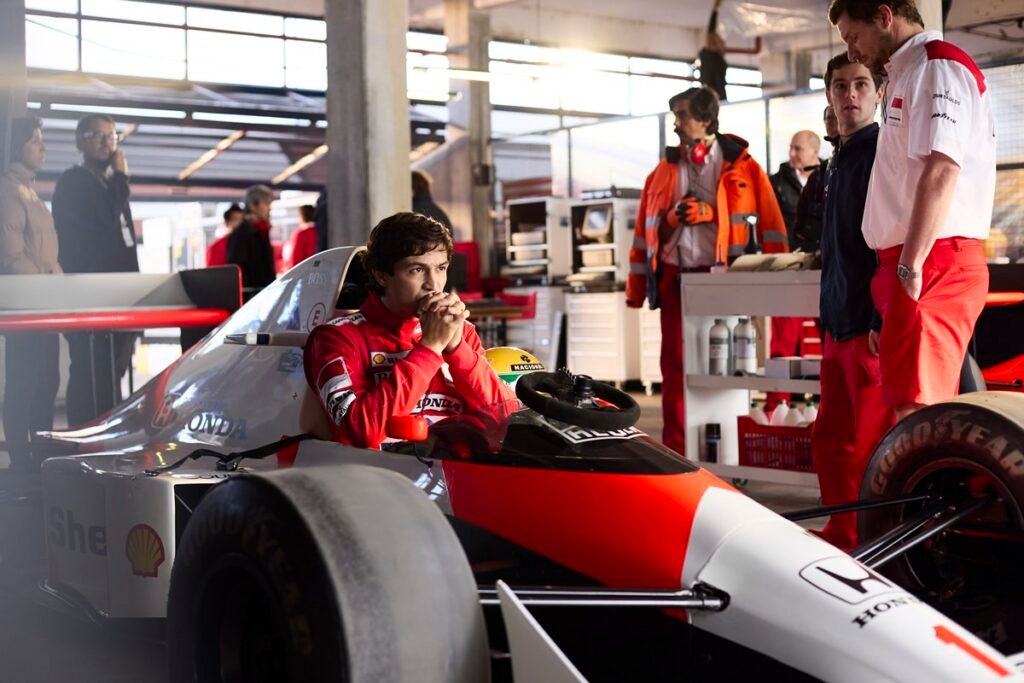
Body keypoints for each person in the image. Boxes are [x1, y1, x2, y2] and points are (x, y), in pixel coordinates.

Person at [830, 0, 995, 420]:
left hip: (931, 259)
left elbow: (942, 170)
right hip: (911, 261)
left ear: (885, 17)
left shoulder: (937, 67)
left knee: (917, 414)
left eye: (854, 36)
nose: (852, 50)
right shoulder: (907, 73)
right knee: (911, 411)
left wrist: (909, 266)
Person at [625, 86, 788, 455]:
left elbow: (772, 226)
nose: (676, 123)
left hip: (726, 278)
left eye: (682, 115)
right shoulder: (662, 172)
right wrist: (670, 220)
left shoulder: (745, 168)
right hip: (675, 278)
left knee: (730, 364)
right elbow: (643, 233)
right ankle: (676, 450)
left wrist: (712, 214)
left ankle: (729, 450)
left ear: (706, 119)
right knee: (675, 368)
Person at [303, 212, 514, 449]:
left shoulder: (460, 331)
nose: (433, 284)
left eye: (441, 268)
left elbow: (506, 421)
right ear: (381, 275)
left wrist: (457, 349)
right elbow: (363, 432)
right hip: (373, 470)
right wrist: (430, 348)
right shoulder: (335, 337)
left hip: (451, 469)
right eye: (417, 270)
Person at [813, 54, 892, 550]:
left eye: (861, 84)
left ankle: (870, 542)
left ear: (879, 93)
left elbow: (891, 244)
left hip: (867, 328)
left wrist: (881, 316)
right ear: (829, 95)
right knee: (830, 440)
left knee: (867, 445)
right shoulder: (838, 160)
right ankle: (840, 534)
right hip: (836, 323)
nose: (850, 95)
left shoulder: (882, 153)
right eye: (840, 86)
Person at [52, 113, 139, 425]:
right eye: (98, 135)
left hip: (121, 297)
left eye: (112, 136)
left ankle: (107, 435)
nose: (107, 143)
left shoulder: (110, 185)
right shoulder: (74, 182)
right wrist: (121, 178)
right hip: (90, 296)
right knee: (91, 374)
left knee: (112, 377)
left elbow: (125, 239)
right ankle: (82, 438)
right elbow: (102, 222)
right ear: (80, 142)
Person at [0, 117, 61, 471]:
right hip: (29, 305)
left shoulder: (28, 191)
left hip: (43, 302)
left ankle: (39, 459)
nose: (43, 147)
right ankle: (22, 463)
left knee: (46, 382)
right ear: (16, 145)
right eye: (35, 140)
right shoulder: (8, 191)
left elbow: (45, 255)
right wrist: (44, 290)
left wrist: (59, 286)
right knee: (25, 383)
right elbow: (12, 257)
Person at [792, 107, 840, 254]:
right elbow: (799, 224)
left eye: (798, 149)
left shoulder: (863, 160)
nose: (834, 123)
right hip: (817, 252)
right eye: (829, 119)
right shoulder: (818, 176)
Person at [770, 131, 823, 242]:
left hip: (822, 248)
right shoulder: (775, 182)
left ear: (815, 152)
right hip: (789, 249)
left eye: (798, 149)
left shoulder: (830, 179)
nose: (791, 154)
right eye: (791, 148)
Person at [227, 184, 276, 299]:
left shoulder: (261, 229)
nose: (269, 209)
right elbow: (237, 267)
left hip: (263, 293)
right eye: (266, 204)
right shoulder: (242, 233)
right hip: (251, 296)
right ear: (253, 205)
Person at [699, 0, 728, 101]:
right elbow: (710, 32)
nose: (724, 44)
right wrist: (715, 10)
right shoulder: (711, 57)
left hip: (713, 94)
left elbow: (711, 31)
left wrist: (715, 10)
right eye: (721, 42)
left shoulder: (710, 56)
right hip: (714, 95)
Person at [282, 204, 318, 270]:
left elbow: (295, 258)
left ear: (302, 216)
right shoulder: (317, 231)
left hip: (302, 270)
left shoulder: (300, 234)